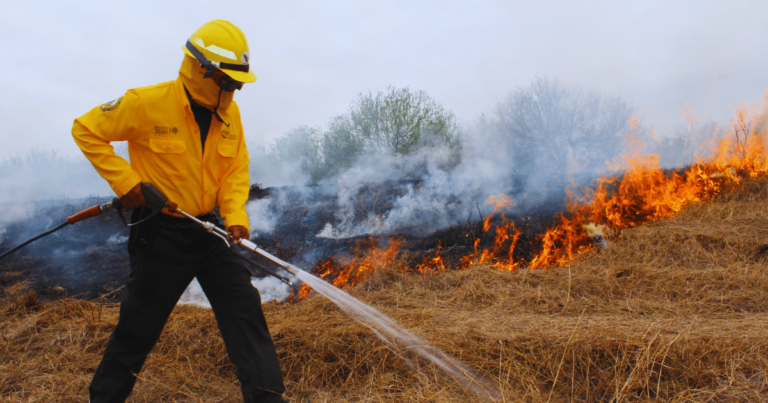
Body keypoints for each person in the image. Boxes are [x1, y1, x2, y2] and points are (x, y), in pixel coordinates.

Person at [72, 20, 287, 403]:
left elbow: (235, 171)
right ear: (201, 69)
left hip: (209, 232)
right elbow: (86, 129)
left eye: (239, 83)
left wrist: (235, 216)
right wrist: (127, 182)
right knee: (136, 332)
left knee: (245, 314)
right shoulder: (147, 103)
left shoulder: (230, 115)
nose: (235, 90)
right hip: (161, 236)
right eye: (229, 81)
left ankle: (267, 398)